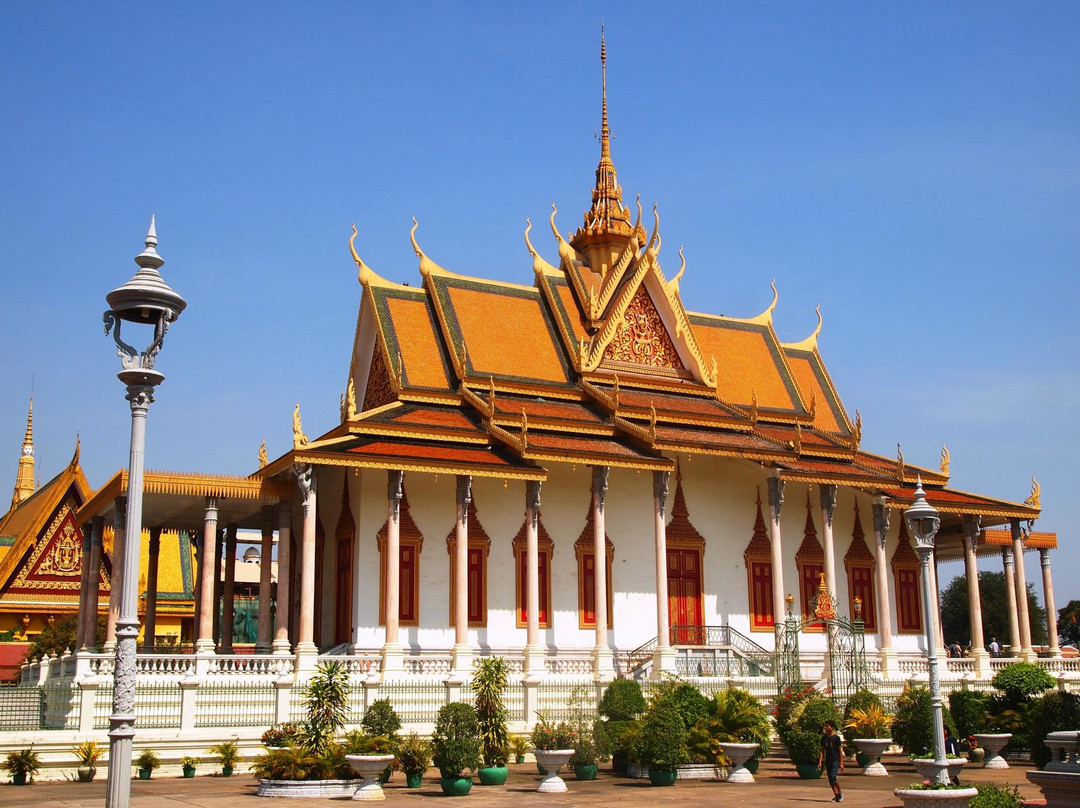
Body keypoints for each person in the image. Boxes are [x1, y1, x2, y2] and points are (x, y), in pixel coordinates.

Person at [818, 720, 844, 802]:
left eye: (827, 726)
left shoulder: (836, 738)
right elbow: (822, 751)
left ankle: (840, 792)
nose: (826, 728)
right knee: (830, 779)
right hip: (828, 760)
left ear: (832, 727)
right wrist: (820, 762)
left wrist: (841, 762)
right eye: (825, 726)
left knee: (833, 776)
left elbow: (840, 751)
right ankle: (836, 795)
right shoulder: (824, 738)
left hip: (835, 760)